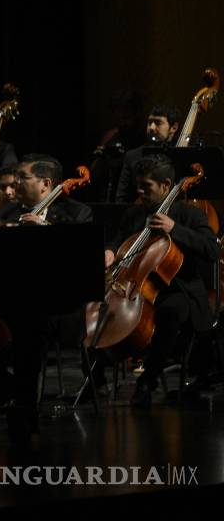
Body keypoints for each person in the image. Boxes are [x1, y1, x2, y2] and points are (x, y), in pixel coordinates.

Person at [104, 155, 217, 407]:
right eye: (138, 185)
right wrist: (110, 250)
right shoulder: (134, 214)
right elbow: (118, 239)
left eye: (147, 186)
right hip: (137, 288)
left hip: (180, 291)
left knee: (169, 311)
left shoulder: (190, 214)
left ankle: (148, 381)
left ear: (166, 185)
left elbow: (211, 249)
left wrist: (174, 229)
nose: (140, 191)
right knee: (99, 305)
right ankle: (95, 378)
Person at [113, 104, 182, 203]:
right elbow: (121, 197)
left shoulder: (181, 154)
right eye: (150, 122)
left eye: (158, 123)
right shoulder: (132, 156)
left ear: (174, 127)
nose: (152, 127)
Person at [0, 156, 92, 225]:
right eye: (16, 176)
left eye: (22, 177)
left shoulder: (77, 213)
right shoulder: (3, 214)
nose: (16, 181)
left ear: (45, 184)